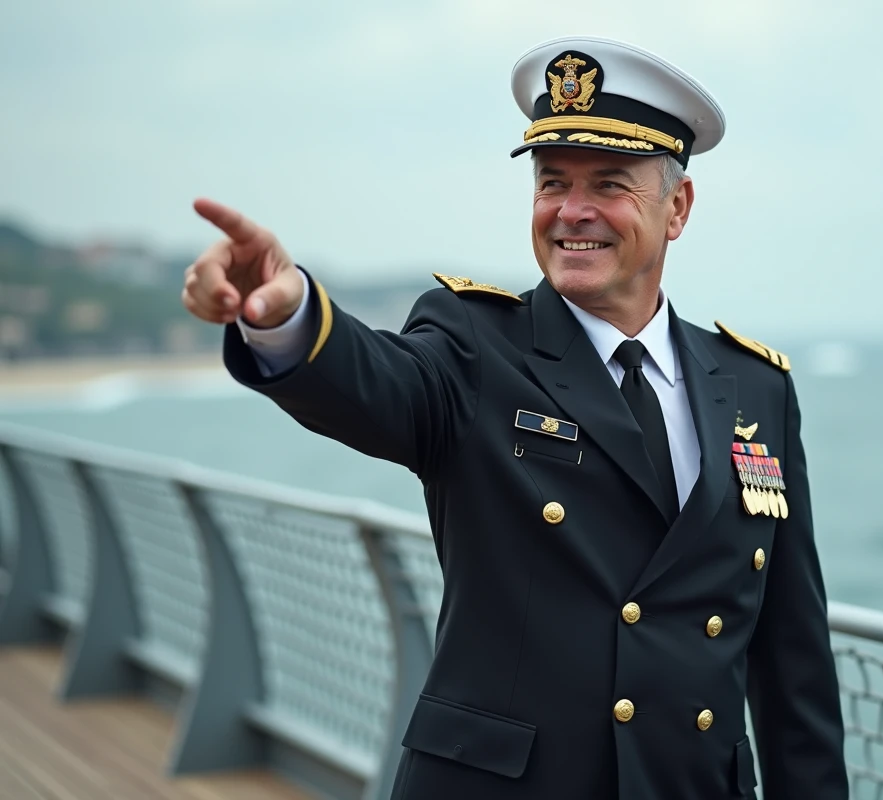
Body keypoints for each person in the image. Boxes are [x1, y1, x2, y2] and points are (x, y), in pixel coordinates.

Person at [182, 34, 847, 800]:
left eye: (609, 184)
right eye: (551, 182)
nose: (572, 211)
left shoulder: (755, 387)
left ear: (678, 207)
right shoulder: (472, 343)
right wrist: (290, 313)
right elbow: (376, 382)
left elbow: (793, 663)